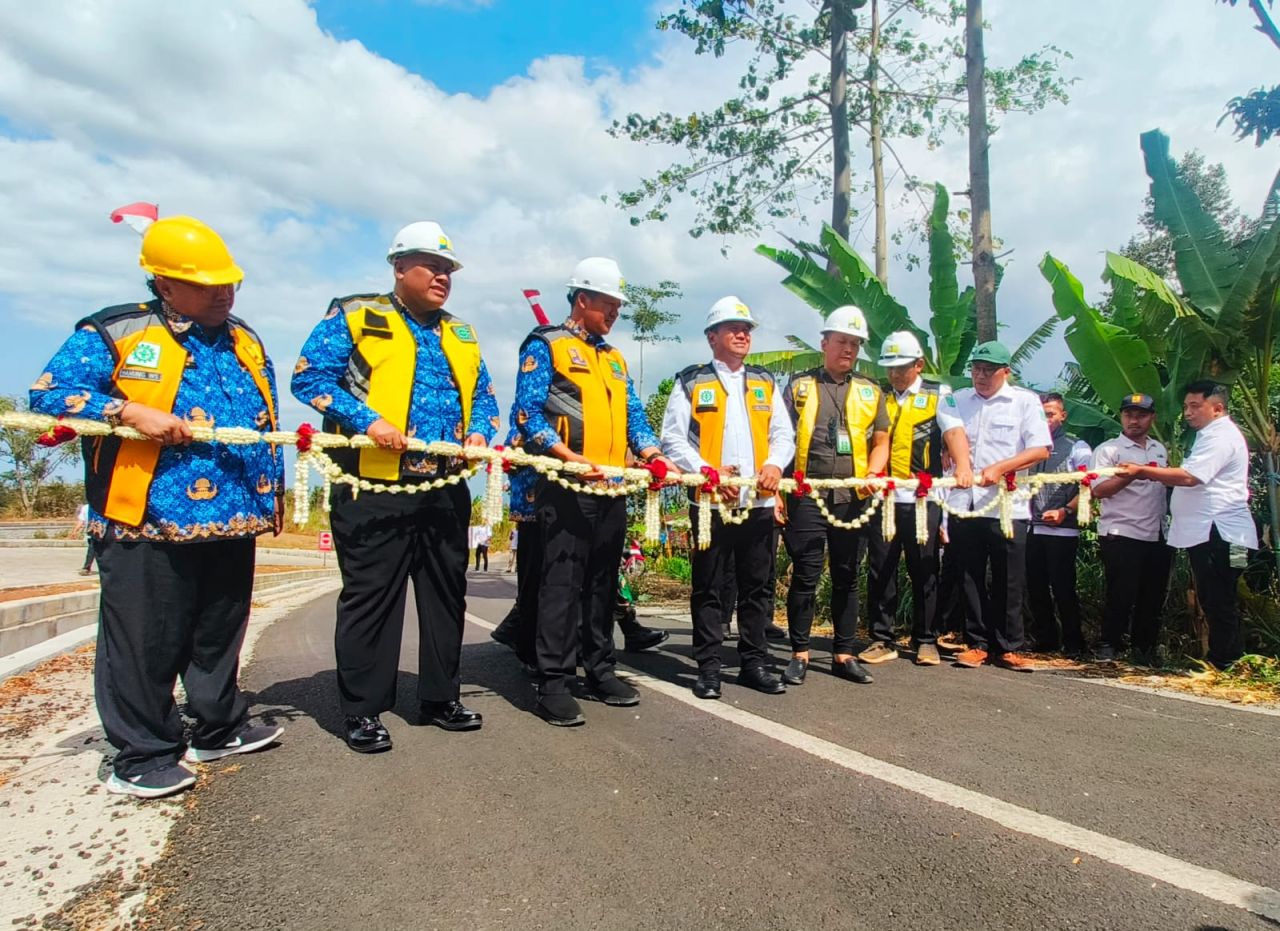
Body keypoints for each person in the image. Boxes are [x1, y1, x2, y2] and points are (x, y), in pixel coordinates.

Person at [29, 215, 284, 799]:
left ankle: (217, 725)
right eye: (206, 284)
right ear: (164, 284)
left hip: (231, 515)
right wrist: (126, 412)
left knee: (219, 630)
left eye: (230, 283)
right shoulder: (118, 332)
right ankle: (141, 751)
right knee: (145, 637)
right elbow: (47, 393)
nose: (223, 294)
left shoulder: (243, 337)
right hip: (145, 517)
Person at [292, 220, 498, 752]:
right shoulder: (358, 314)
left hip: (445, 488)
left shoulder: (462, 333)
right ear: (399, 266)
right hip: (372, 485)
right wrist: (366, 421)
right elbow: (309, 379)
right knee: (372, 599)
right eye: (432, 265)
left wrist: (478, 429)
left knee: (444, 597)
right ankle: (362, 710)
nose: (443, 276)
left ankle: (440, 698)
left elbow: (486, 397)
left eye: (449, 268)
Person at [513, 257, 677, 726]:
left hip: (611, 487)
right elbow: (527, 415)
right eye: (608, 305)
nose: (614, 315)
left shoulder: (614, 358)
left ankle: (600, 667)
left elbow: (635, 418)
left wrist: (650, 455)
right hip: (564, 485)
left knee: (603, 582)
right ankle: (554, 682)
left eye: (618, 308)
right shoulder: (546, 345)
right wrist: (568, 456)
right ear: (582, 299)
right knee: (561, 584)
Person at [661, 296, 796, 700]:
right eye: (733, 327)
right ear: (711, 336)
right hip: (710, 504)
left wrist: (774, 464)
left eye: (747, 328)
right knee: (709, 586)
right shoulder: (691, 381)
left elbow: (782, 434)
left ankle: (754, 662)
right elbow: (672, 438)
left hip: (758, 502)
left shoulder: (764, 381)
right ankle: (708, 668)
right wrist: (709, 473)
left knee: (757, 586)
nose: (742, 334)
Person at [777, 306, 887, 686]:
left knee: (847, 576)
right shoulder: (798, 386)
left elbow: (882, 441)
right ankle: (799, 653)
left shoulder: (872, 391)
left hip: (853, 497)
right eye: (842, 341)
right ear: (824, 343)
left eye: (855, 344)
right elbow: (778, 440)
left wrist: (874, 471)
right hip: (806, 493)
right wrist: (778, 492)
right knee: (806, 575)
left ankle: (843, 653)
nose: (849, 349)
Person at [1118, 381, 1258, 669]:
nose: (1188, 413)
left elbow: (1191, 477)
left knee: (1218, 596)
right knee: (1219, 596)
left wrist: (1143, 470)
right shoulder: (1212, 435)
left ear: (1217, 408)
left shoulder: (1220, 437)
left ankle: (1224, 661)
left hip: (1219, 531)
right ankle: (1227, 658)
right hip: (1220, 531)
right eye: (1185, 407)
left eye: (1195, 406)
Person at [865, 330, 972, 668]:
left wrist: (964, 466)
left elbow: (954, 431)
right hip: (884, 498)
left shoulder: (938, 394)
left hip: (923, 497)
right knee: (881, 567)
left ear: (919, 364)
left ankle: (926, 639)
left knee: (924, 567)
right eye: (890, 367)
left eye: (902, 367)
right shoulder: (878, 396)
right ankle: (882, 638)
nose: (895, 374)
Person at [947, 341, 1051, 673]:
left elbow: (1040, 449)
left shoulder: (1024, 402)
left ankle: (1009, 646)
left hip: (1009, 507)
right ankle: (976, 643)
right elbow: (951, 436)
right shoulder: (958, 400)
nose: (980, 376)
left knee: (1010, 578)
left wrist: (1001, 467)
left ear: (1006, 372)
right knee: (969, 575)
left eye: (988, 370)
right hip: (967, 503)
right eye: (976, 369)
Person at [1089, 393, 1171, 664]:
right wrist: (1131, 475)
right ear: (1121, 416)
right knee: (1121, 593)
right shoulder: (1109, 451)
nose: (1134, 420)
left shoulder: (1159, 449)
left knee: (1152, 594)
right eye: (1128, 414)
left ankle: (1144, 648)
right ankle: (1108, 644)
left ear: (1151, 418)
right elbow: (1098, 490)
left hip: (1156, 531)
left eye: (1141, 415)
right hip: (1121, 531)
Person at [1025, 392, 1092, 656]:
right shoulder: (1028, 447)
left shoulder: (1078, 447)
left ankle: (1074, 643)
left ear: (1063, 415)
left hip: (1062, 529)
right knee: (1036, 587)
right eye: (1042, 414)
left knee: (1063, 587)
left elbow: (1089, 485)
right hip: (1031, 527)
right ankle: (1046, 640)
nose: (1046, 419)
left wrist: (1066, 510)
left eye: (1051, 414)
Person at [73, 502, 96, 576]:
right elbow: (81, 520)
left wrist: (75, 531)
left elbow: (81, 521)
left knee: (91, 551)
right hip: (93, 533)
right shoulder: (86, 508)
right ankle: (86, 568)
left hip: (94, 532)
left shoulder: (86, 507)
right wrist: (75, 531)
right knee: (92, 551)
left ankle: (86, 568)